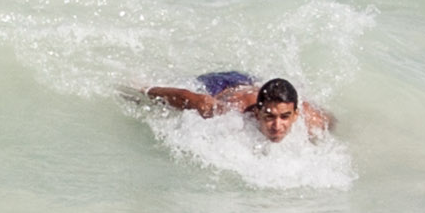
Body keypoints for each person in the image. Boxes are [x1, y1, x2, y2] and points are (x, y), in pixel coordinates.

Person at [143, 73, 334, 142]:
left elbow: (332, 123)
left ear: (295, 115)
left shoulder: (311, 118)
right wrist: (145, 91)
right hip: (221, 85)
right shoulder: (232, 112)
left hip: (252, 82)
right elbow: (188, 98)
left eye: (284, 117)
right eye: (269, 117)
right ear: (257, 113)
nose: (277, 126)